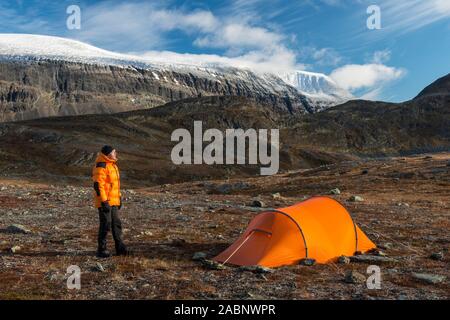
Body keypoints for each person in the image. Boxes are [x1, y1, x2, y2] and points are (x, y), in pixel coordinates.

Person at [92, 145, 130, 258]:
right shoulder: (101, 166)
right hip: (105, 201)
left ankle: (120, 248)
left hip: (113, 201)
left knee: (116, 224)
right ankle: (101, 249)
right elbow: (98, 185)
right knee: (106, 224)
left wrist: (119, 198)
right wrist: (104, 202)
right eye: (114, 152)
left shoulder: (113, 165)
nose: (116, 153)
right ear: (108, 154)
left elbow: (115, 186)